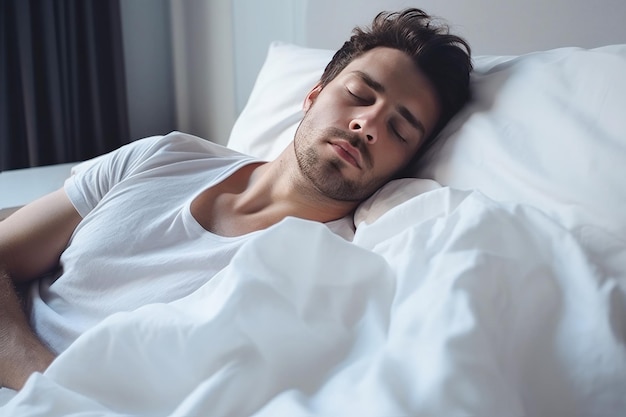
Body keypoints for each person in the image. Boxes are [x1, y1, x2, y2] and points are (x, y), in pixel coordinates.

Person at [0, 8, 472, 391]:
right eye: (359, 94)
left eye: (398, 129)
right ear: (313, 95)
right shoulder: (161, 155)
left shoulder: (331, 274)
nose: (367, 124)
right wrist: (38, 378)